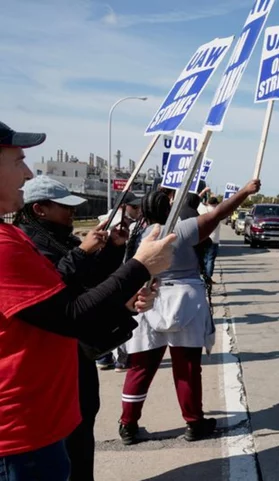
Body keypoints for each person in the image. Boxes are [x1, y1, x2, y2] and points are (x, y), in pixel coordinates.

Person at [0, 121, 175, 481]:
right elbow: (72, 314)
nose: (28, 171)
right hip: (22, 435)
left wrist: (124, 298)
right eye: (18, 160)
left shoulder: (13, 239)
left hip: (46, 419)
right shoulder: (7, 245)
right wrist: (140, 265)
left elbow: (67, 302)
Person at [12, 175, 143, 481]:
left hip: (75, 353)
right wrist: (82, 253)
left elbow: (94, 283)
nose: (71, 214)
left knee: (83, 426)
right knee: (63, 444)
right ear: (40, 209)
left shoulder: (62, 237)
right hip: (49, 357)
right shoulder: (27, 244)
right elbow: (55, 292)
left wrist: (112, 248)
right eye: (64, 208)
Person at [118, 179, 261, 445]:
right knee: (186, 367)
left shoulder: (138, 235)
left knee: (140, 368)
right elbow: (219, 213)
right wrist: (244, 192)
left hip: (148, 299)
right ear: (169, 208)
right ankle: (194, 422)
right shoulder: (181, 229)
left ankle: (128, 424)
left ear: (144, 212)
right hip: (186, 300)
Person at [96, 191, 144, 371]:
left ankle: (103, 357)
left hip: (106, 278)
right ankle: (121, 360)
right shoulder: (119, 224)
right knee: (119, 317)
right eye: (134, 206)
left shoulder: (107, 220)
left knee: (104, 318)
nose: (138, 210)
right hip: (118, 276)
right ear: (123, 207)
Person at [197, 197, 221, 281]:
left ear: (208, 202)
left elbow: (199, 202)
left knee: (204, 258)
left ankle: (203, 276)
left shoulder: (203, 210)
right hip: (214, 239)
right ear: (215, 203)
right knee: (210, 259)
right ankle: (208, 278)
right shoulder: (218, 212)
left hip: (204, 238)